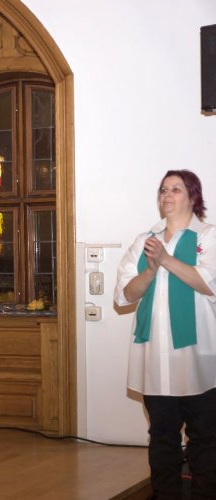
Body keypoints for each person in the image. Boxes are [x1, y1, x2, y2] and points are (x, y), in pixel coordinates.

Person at [114, 170, 216, 498]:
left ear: (193, 197)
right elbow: (125, 295)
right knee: (161, 439)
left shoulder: (208, 237)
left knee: (205, 440)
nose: (166, 195)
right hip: (155, 362)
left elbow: (209, 284)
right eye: (163, 190)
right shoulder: (145, 240)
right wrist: (150, 269)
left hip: (199, 362)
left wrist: (166, 259)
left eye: (175, 189)